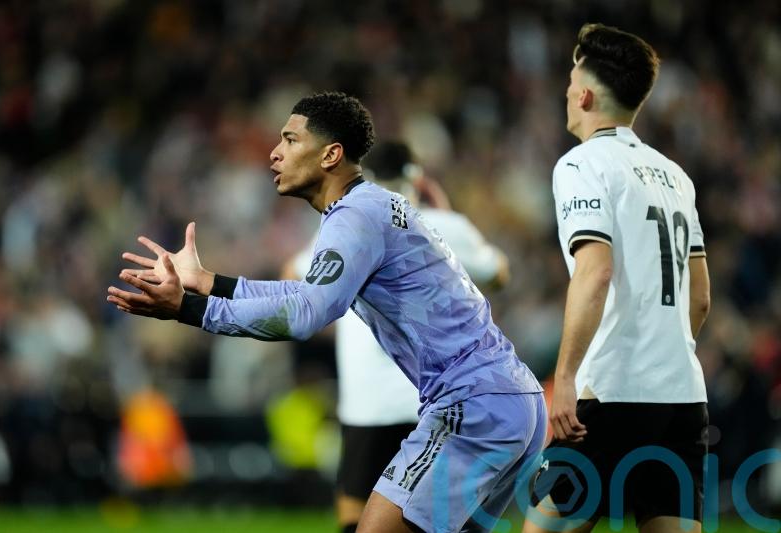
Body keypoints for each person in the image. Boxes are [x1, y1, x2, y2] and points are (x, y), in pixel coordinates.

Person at [107, 92, 545, 533]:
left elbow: (303, 316)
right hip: (510, 398)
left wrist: (189, 309)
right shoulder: (368, 207)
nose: (275, 152)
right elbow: (304, 292)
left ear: (331, 154)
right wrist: (208, 283)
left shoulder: (354, 216)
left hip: (470, 404)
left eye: (291, 140)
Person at [523, 24, 711, 533]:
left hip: (611, 393)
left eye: (570, 81)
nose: (565, 91)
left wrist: (563, 378)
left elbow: (595, 269)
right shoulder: (676, 176)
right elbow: (700, 299)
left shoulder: (582, 165)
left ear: (584, 94)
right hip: (682, 396)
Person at [282, 140, 511, 533]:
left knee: (355, 519)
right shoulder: (446, 227)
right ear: (417, 179)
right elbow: (499, 273)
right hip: (435, 400)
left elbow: (292, 275)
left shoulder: (348, 223)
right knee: (441, 520)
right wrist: (450, 219)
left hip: (366, 404)